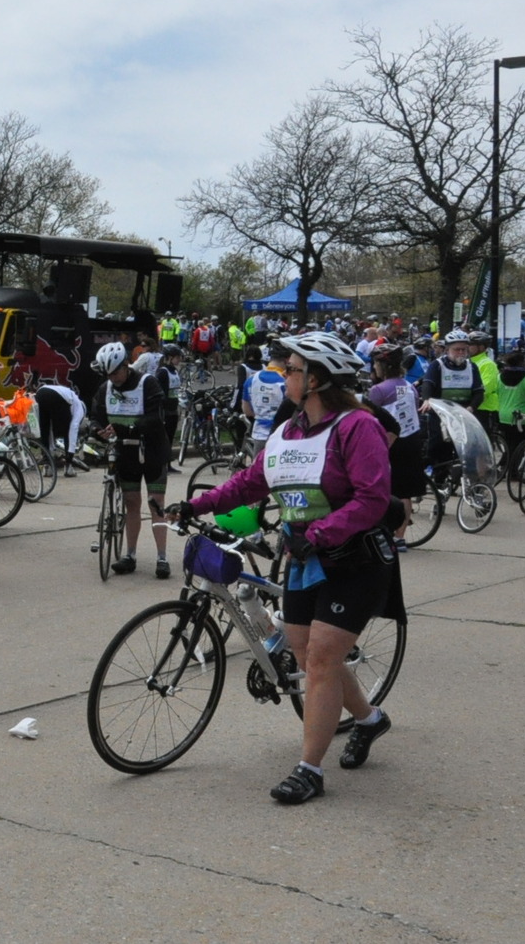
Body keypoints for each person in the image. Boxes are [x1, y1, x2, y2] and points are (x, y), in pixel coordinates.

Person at [181, 331, 399, 804]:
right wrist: (196, 505)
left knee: (320, 659)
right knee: (310, 658)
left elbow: (372, 498)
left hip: (354, 560)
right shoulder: (289, 430)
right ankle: (369, 719)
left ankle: (309, 770)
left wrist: (319, 534)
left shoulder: (356, 427)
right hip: (304, 559)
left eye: (294, 370)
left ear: (317, 379)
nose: (286, 377)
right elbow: (250, 483)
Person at [87, 341, 172, 577]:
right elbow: (96, 416)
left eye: (116, 372)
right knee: (131, 504)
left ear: (126, 365)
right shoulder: (106, 388)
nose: (113, 377)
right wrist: (97, 430)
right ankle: (130, 554)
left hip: (152, 451)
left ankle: (162, 557)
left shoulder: (148, 383)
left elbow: (156, 418)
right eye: (109, 374)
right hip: (126, 454)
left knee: (156, 505)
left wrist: (129, 427)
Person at [366, 345, 427, 545]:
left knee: (384, 488)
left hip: (389, 441)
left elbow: (369, 417)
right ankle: (400, 538)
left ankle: (385, 531)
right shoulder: (409, 386)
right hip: (411, 438)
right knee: (405, 492)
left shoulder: (378, 390)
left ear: (381, 366)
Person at [33, 379, 84, 474]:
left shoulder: (69, 396)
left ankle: (47, 466)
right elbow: (74, 428)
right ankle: (69, 467)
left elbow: (50, 430)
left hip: (40, 393)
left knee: (45, 429)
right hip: (56, 396)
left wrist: (51, 449)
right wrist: (70, 454)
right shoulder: (79, 408)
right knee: (67, 430)